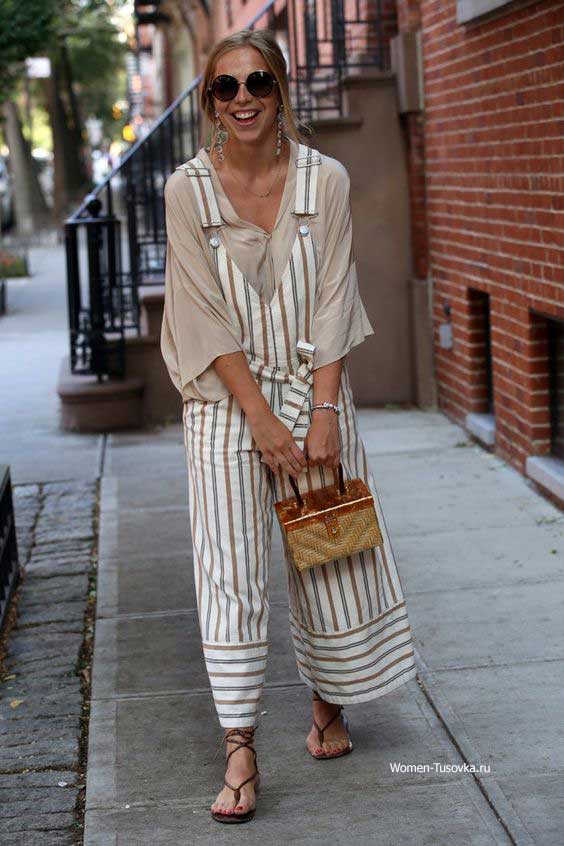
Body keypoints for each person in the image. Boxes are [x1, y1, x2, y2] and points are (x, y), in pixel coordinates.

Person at [160, 28, 417, 825]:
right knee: (230, 570)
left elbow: (336, 292)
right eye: (225, 87)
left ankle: (328, 702)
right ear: (208, 101)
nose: (243, 99)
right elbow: (202, 316)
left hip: (317, 389)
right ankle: (240, 744)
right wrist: (262, 420)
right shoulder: (185, 191)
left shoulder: (326, 180)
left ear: (281, 90)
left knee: (329, 553)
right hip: (224, 401)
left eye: (257, 83)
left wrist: (326, 410)